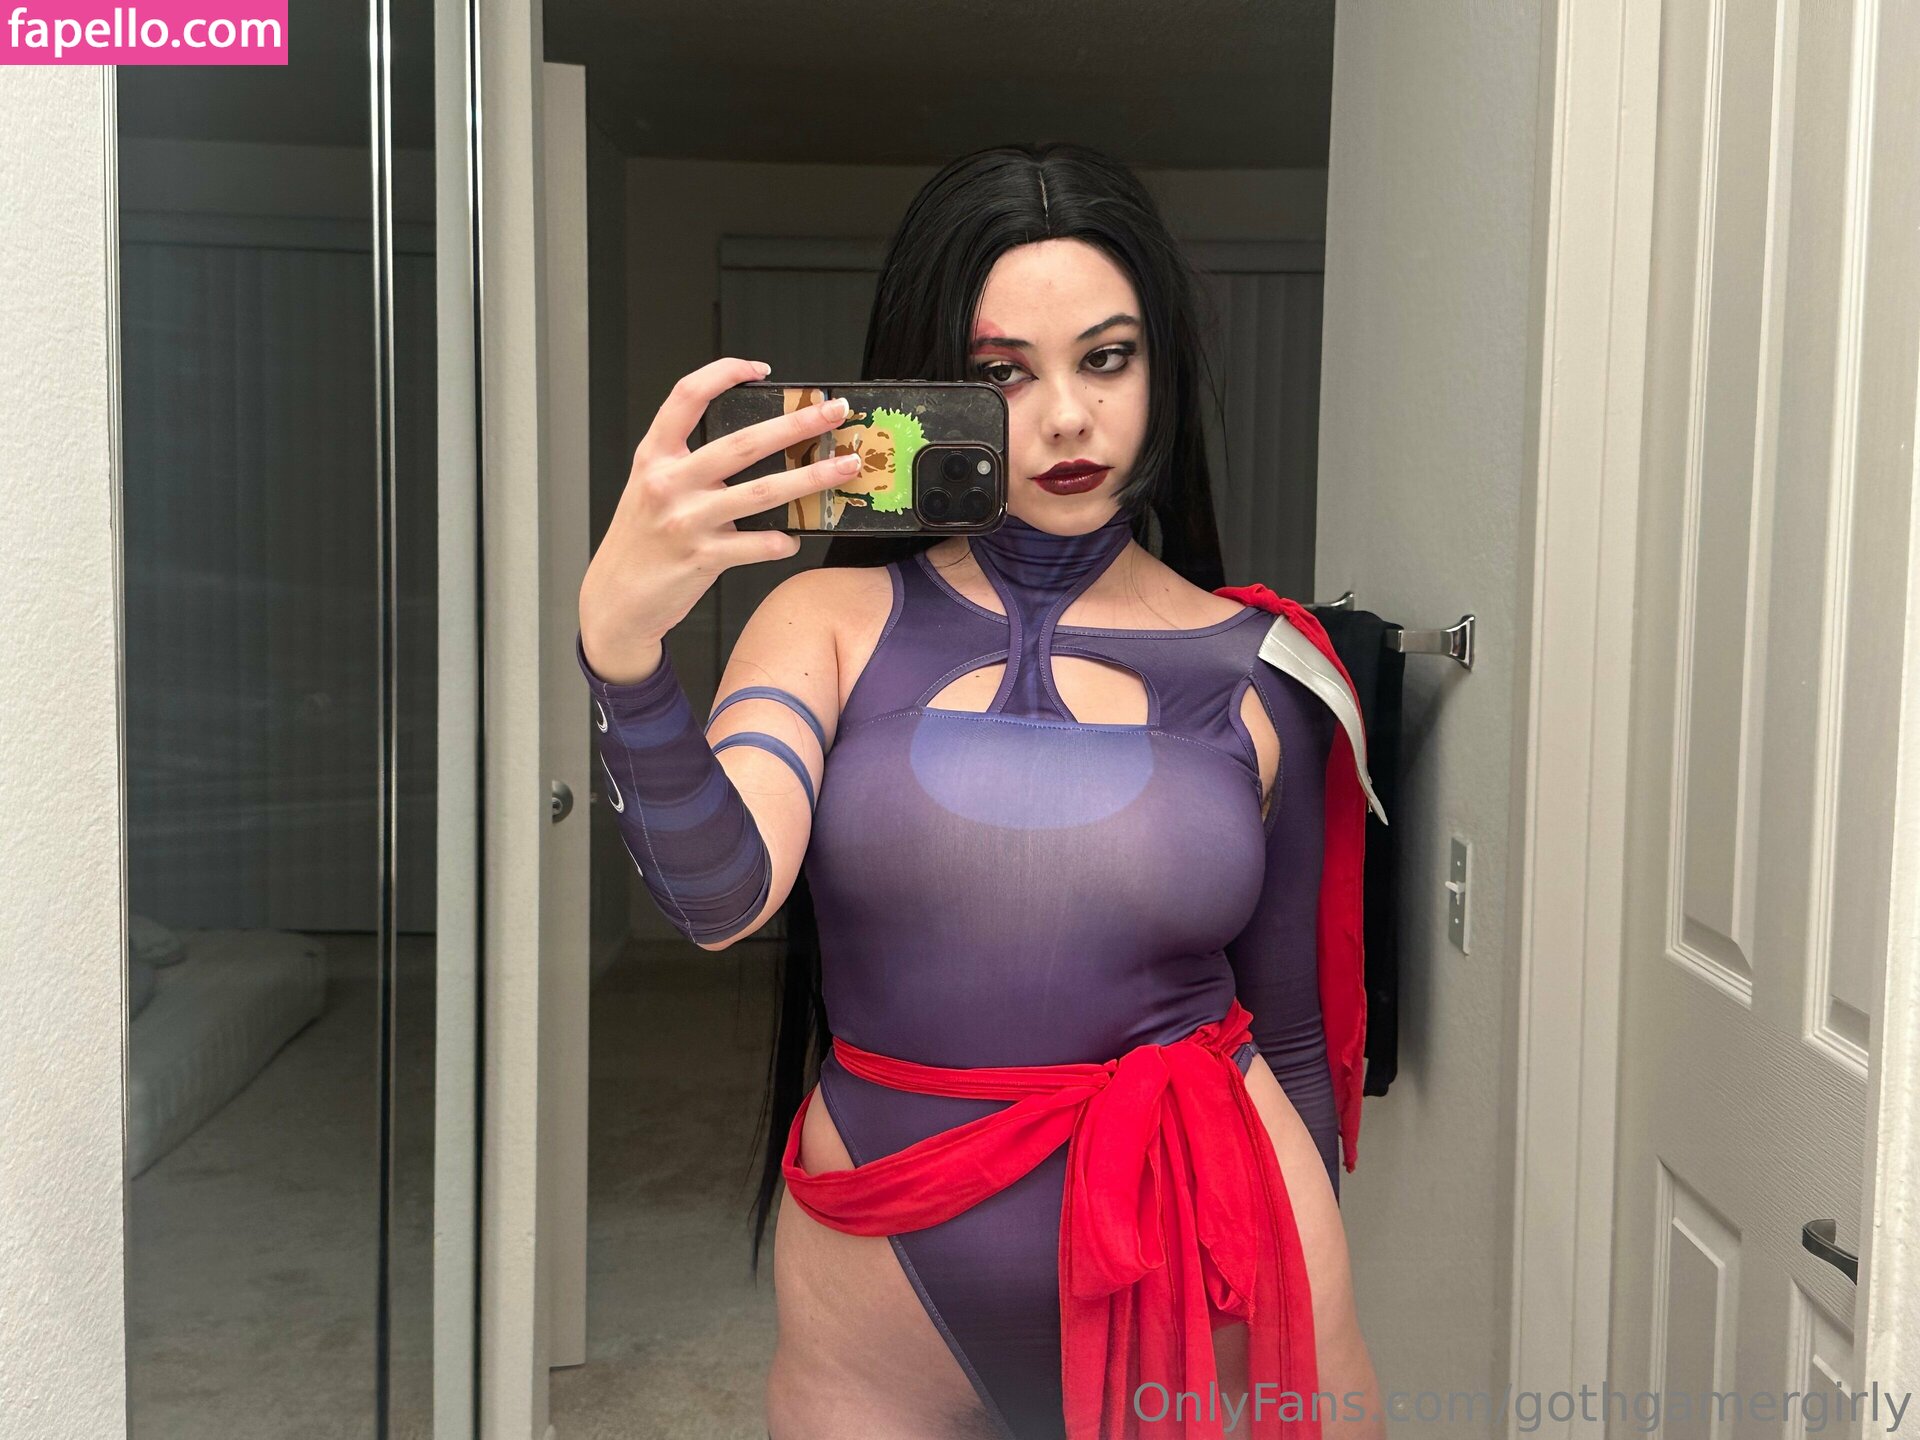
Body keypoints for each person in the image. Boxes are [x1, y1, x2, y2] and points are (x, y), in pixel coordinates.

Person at [576, 141, 1385, 1440]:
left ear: (1163, 370)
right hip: (880, 1287)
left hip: (1213, 1249)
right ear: (926, 391)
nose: (1064, 418)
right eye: (1002, 373)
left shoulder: (1265, 670)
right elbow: (720, 900)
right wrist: (623, 654)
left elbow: (1288, 1035)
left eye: (1106, 358)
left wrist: (1306, 1310)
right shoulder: (827, 623)